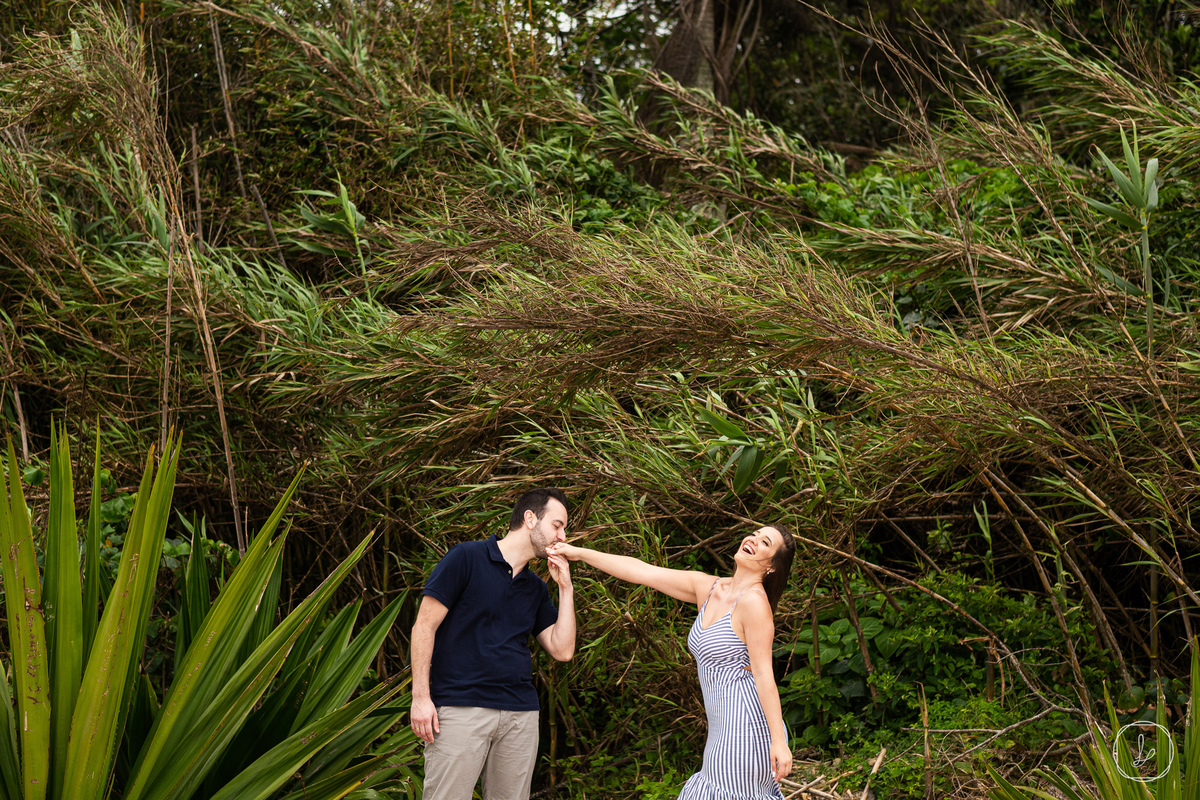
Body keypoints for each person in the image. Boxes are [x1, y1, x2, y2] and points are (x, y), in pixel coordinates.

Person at [547, 524, 795, 799]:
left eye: (765, 543)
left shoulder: (754, 605)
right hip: (721, 731)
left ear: (771, 566)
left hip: (747, 730)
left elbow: (764, 676)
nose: (754, 540)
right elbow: (642, 571)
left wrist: (778, 741)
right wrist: (578, 552)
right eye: (755, 534)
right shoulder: (710, 588)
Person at [409, 488, 576, 800]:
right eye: (557, 525)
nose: (562, 536)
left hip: (520, 714)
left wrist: (565, 587)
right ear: (530, 519)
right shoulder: (466, 558)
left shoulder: (536, 588)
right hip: (461, 707)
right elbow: (423, 626)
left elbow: (562, 650)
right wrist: (421, 698)